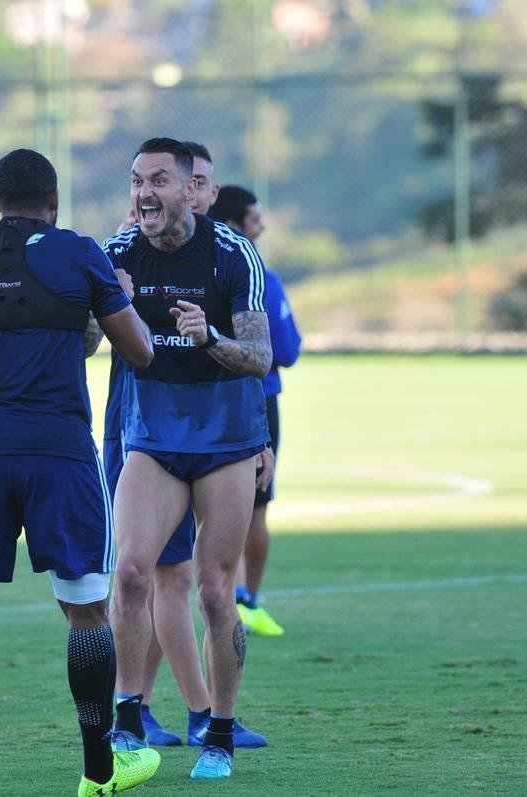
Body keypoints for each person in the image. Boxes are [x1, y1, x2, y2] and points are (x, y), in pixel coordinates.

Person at [0, 148, 160, 797]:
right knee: (86, 611)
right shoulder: (80, 252)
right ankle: (100, 771)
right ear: (54, 202)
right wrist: (111, 303)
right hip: (60, 452)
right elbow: (142, 351)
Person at [104, 137, 273, 780]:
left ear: (189, 189)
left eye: (158, 181)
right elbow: (90, 344)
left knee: (211, 588)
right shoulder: (117, 254)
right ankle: (127, 719)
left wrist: (211, 338)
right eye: (136, 181)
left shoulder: (235, 255)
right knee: (130, 572)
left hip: (227, 441)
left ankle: (219, 733)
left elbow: (259, 358)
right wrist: (110, 308)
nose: (144, 193)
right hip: (153, 438)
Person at [208, 184, 302, 636]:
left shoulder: (190, 269)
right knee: (256, 506)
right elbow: (286, 348)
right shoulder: (257, 273)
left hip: (194, 398)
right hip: (255, 402)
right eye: (255, 218)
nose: (262, 225)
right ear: (234, 224)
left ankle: (218, 594)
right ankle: (245, 600)